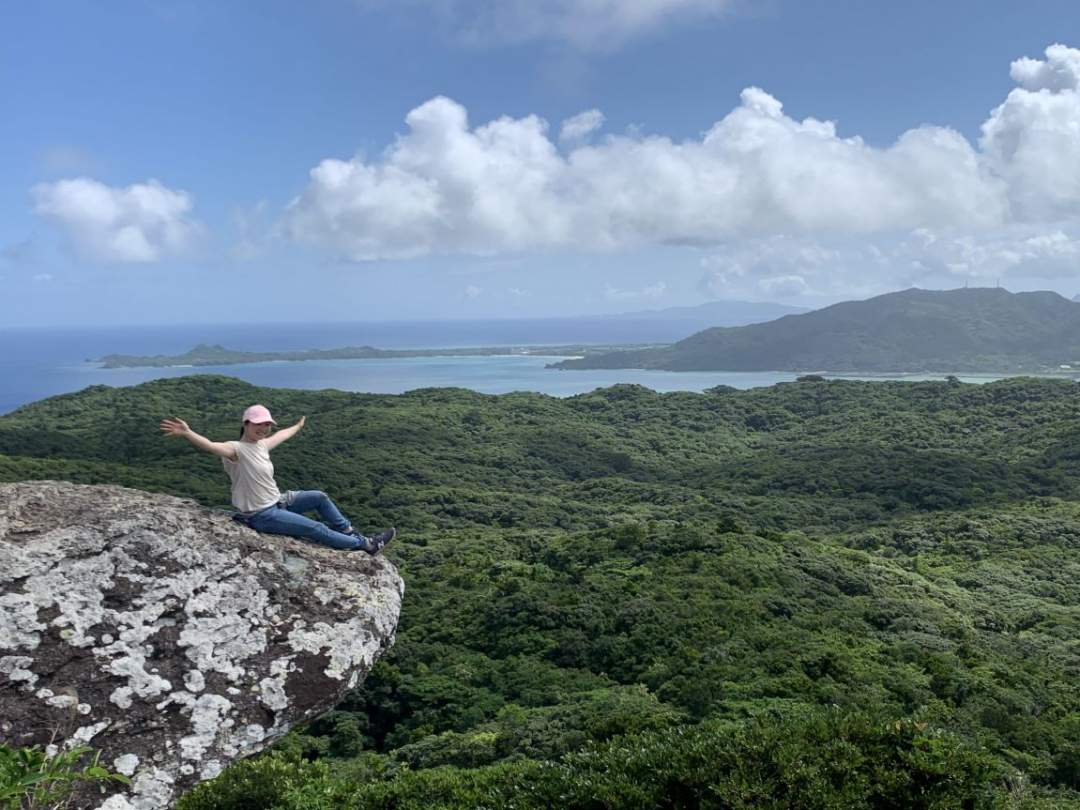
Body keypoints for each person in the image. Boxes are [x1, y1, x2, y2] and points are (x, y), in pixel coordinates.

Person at [159, 404, 395, 554]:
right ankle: (365, 545)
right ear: (246, 424)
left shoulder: (261, 445)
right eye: (259, 424)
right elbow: (211, 445)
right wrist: (188, 433)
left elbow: (282, 435)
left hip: (278, 501)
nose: (264, 429)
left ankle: (347, 531)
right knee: (315, 528)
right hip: (261, 515)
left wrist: (298, 426)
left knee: (319, 497)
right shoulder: (235, 450)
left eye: (267, 425)